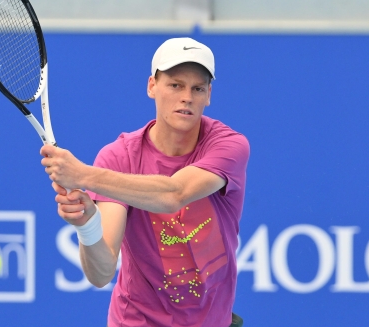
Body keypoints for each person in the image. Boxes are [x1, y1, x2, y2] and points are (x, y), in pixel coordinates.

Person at [40, 37, 249, 327]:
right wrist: (88, 224)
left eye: (197, 88)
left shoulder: (229, 146)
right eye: (175, 85)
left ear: (208, 95)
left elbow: (176, 193)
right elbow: (101, 275)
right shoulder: (118, 157)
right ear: (152, 86)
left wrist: (83, 175)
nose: (187, 96)